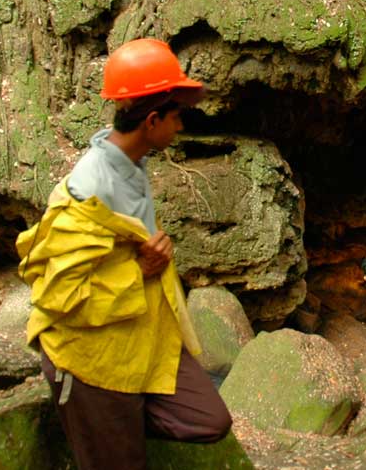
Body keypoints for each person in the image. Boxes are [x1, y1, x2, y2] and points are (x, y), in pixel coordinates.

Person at [15, 38, 231, 470]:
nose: (180, 127)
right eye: (176, 117)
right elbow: (59, 295)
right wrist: (141, 268)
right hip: (89, 353)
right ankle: (91, 418)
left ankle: (112, 423)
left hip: (139, 337)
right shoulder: (87, 187)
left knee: (210, 419)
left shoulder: (132, 159)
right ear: (151, 120)